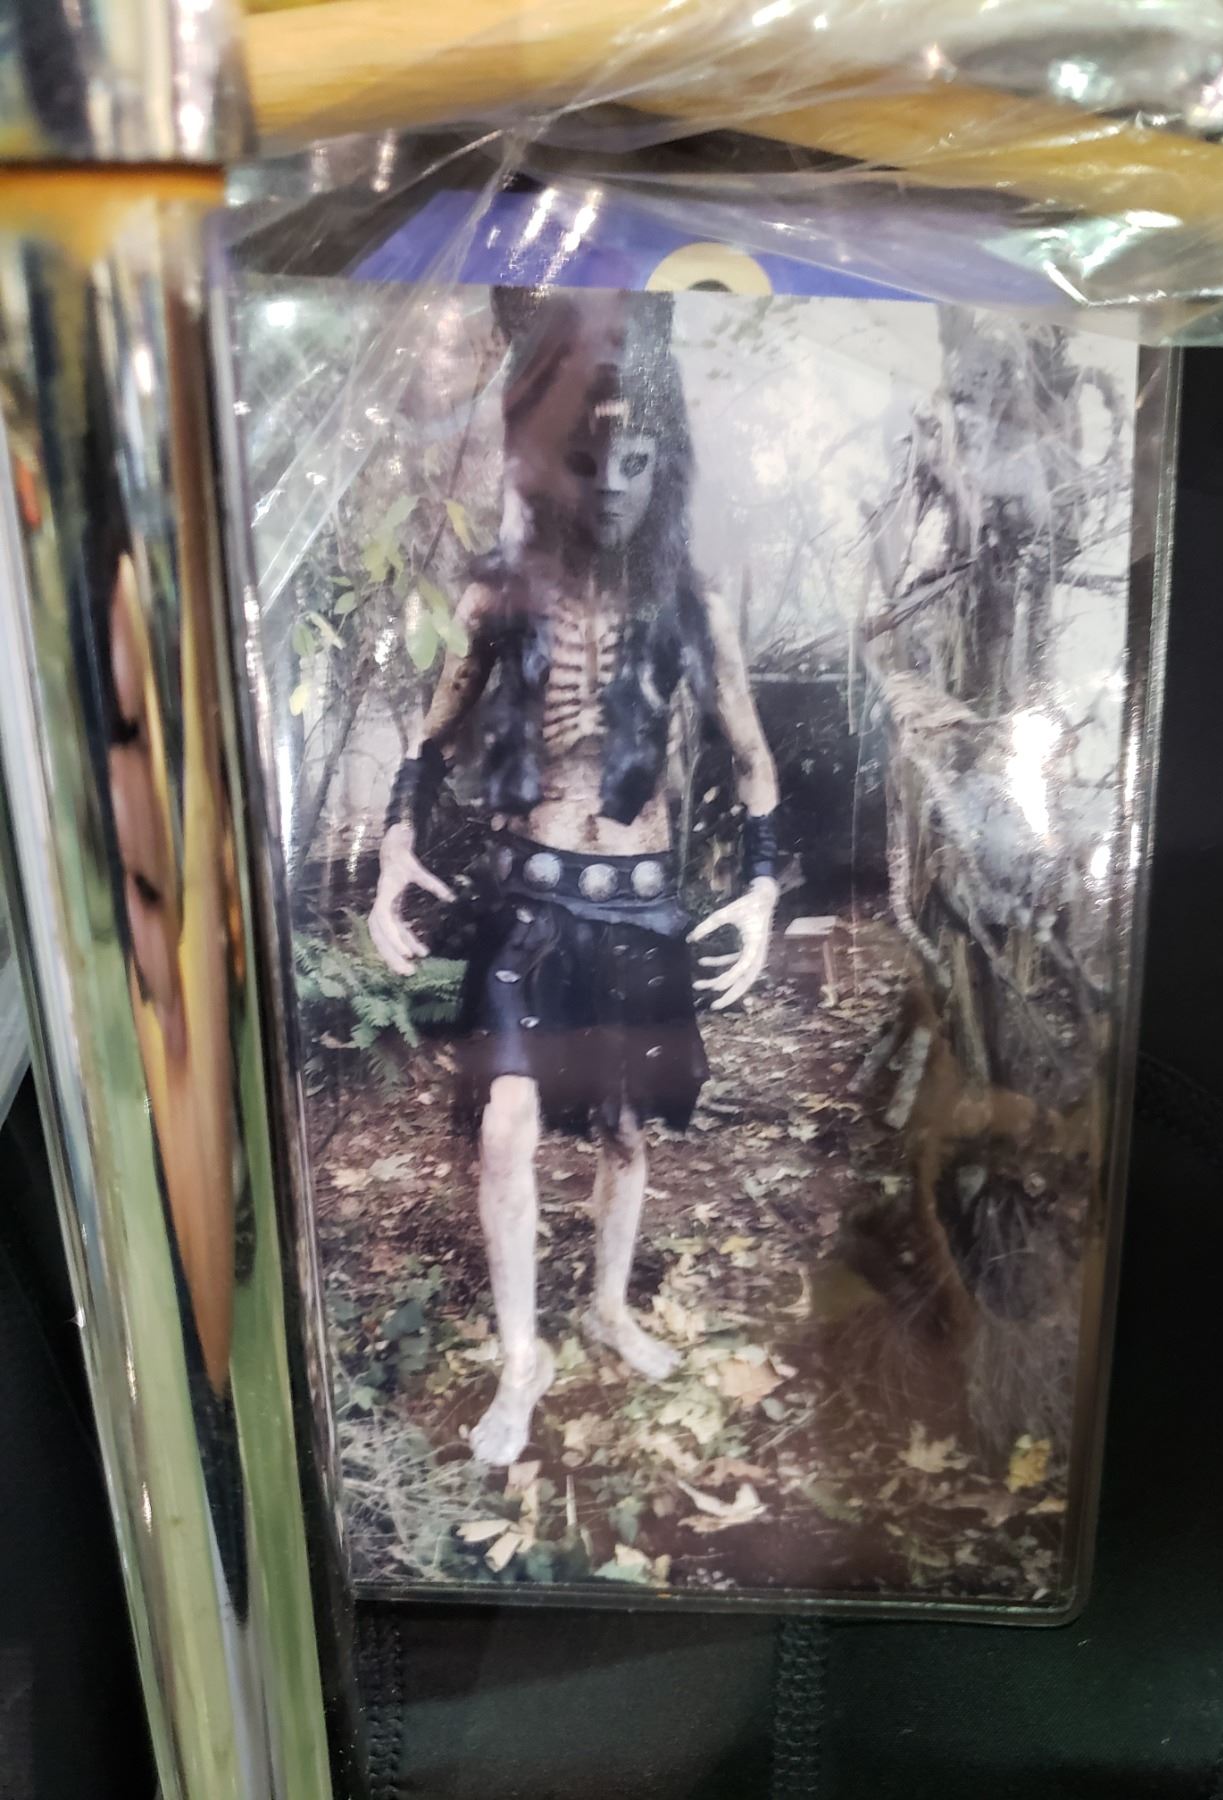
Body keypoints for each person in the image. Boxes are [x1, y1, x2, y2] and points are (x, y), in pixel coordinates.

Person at [368, 290, 781, 1466]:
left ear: (663, 467)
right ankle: (521, 1358)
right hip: (529, 905)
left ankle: (605, 1307)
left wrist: (760, 892)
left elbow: (752, 756)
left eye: (633, 462)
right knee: (508, 1127)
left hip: (638, 910)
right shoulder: (499, 595)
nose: (610, 485)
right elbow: (429, 741)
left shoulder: (690, 603)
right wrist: (394, 854)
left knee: (624, 1131)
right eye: (588, 460)